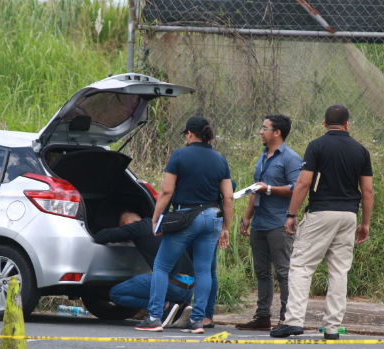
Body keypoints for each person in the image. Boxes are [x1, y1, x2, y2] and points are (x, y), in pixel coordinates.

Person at [270, 105, 373, 340]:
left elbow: (304, 183)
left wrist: (291, 214)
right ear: (347, 125)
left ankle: (294, 321)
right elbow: (367, 191)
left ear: (325, 124)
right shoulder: (361, 151)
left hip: (321, 213)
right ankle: (332, 327)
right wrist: (365, 223)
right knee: (339, 270)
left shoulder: (316, 146)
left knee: (301, 265)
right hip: (349, 216)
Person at [136, 116, 233, 334]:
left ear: (189, 134)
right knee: (203, 270)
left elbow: (166, 191)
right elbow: (227, 197)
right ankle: (197, 321)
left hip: (185, 217)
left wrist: (156, 217)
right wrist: (225, 227)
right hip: (212, 217)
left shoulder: (180, 155)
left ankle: (154, 317)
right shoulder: (220, 159)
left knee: (162, 266)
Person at [237, 114, 302, 331]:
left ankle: (287, 318)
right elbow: (258, 187)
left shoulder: (290, 158)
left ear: (277, 132)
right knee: (262, 271)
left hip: (279, 223)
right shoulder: (263, 156)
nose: (260, 132)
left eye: (264, 128)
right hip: (260, 223)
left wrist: (270, 189)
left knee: (283, 271)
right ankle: (262, 316)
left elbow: (296, 188)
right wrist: (248, 217)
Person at [93, 211, 194, 326]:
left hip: (172, 285)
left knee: (116, 294)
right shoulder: (162, 225)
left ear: (126, 224)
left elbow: (101, 237)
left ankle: (165, 306)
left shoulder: (137, 227)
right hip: (189, 289)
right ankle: (179, 307)